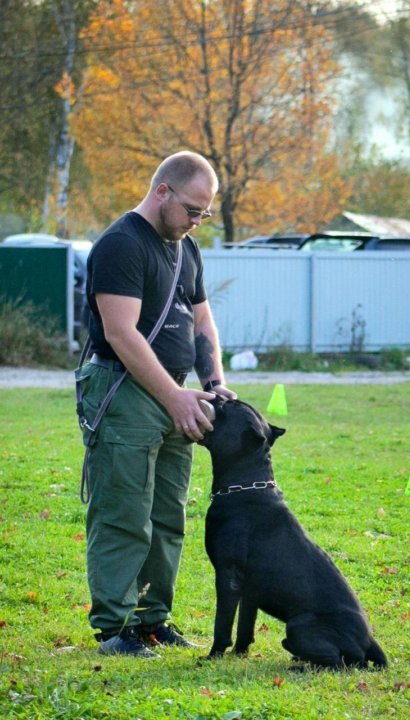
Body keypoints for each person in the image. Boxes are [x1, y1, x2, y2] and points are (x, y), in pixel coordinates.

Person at [76, 151, 237, 658]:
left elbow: (202, 321)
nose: (196, 222)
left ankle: (152, 620)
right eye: (192, 209)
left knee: (168, 512)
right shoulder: (121, 244)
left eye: (204, 214)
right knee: (124, 510)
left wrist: (213, 381)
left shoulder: (186, 248)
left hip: (179, 392)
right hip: (125, 391)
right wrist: (172, 396)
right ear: (162, 191)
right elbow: (120, 333)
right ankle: (114, 628)